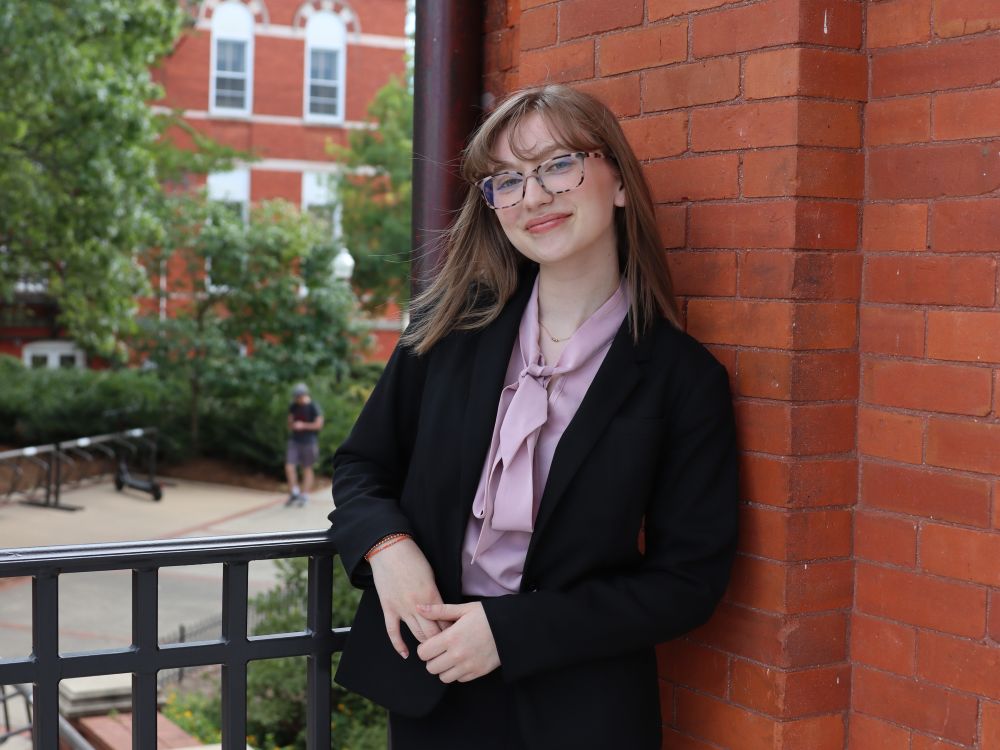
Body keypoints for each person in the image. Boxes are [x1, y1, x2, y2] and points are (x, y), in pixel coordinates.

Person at [328, 84, 738, 749]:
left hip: (580, 708)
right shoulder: (446, 336)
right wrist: (387, 548)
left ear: (620, 183)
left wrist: (512, 632)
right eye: (506, 180)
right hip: (432, 684)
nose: (533, 197)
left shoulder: (682, 380)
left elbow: (687, 583)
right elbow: (360, 467)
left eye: (557, 165)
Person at [285, 382, 323, 506]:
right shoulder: (293, 406)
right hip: (295, 440)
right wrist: (292, 424)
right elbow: (290, 423)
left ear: (304, 395)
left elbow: (318, 425)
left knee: (307, 468)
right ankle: (294, 491)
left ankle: (305, 494)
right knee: (289, 466)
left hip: (309, 441)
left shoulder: (313, 406)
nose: (297, 399)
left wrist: (303, 425)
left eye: (298, 397)